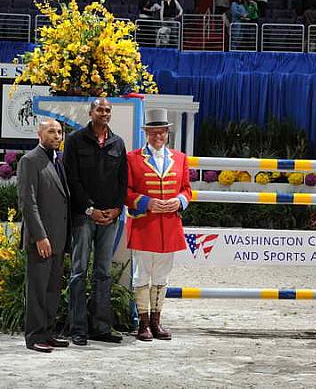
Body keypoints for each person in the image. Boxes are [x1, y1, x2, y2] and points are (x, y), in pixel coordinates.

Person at [64, 98, 127, 346]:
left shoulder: (117, 142)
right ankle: (77, 328)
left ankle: (101, 327)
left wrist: (115, 209)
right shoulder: (75, 140)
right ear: (90, 113)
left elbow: (123, 181)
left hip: (109, 218)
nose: (104, 113)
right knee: (79, 271)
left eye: (108, 110)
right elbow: (72, 178)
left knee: (103, 273)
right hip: (83, 216)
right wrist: (90, 209)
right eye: (100, 109)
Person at [126, 108, 192, 341]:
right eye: (153, 133)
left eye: (161, 133)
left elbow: (187, 189)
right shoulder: (132, 158)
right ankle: (142, 323)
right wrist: (147, 202)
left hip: (169, 226)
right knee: (141, 275)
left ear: (167, 133)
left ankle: (157, 322)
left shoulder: (180, 158)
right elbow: (126, 192)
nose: (158, 137)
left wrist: (179, 201)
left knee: (162, 276)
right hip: (145, 225)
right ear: (147, 133)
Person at [18, 119, 70, 353]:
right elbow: (28, 203)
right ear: (39, 133)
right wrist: (40, 236)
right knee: (37, 290)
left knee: (52, 290)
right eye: (51, 131)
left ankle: (47, 332)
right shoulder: (30, 161)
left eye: (59, 132)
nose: (57, 136)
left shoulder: (58, 161)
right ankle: (34, 336)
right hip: (41, 239)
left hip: (58, 238)